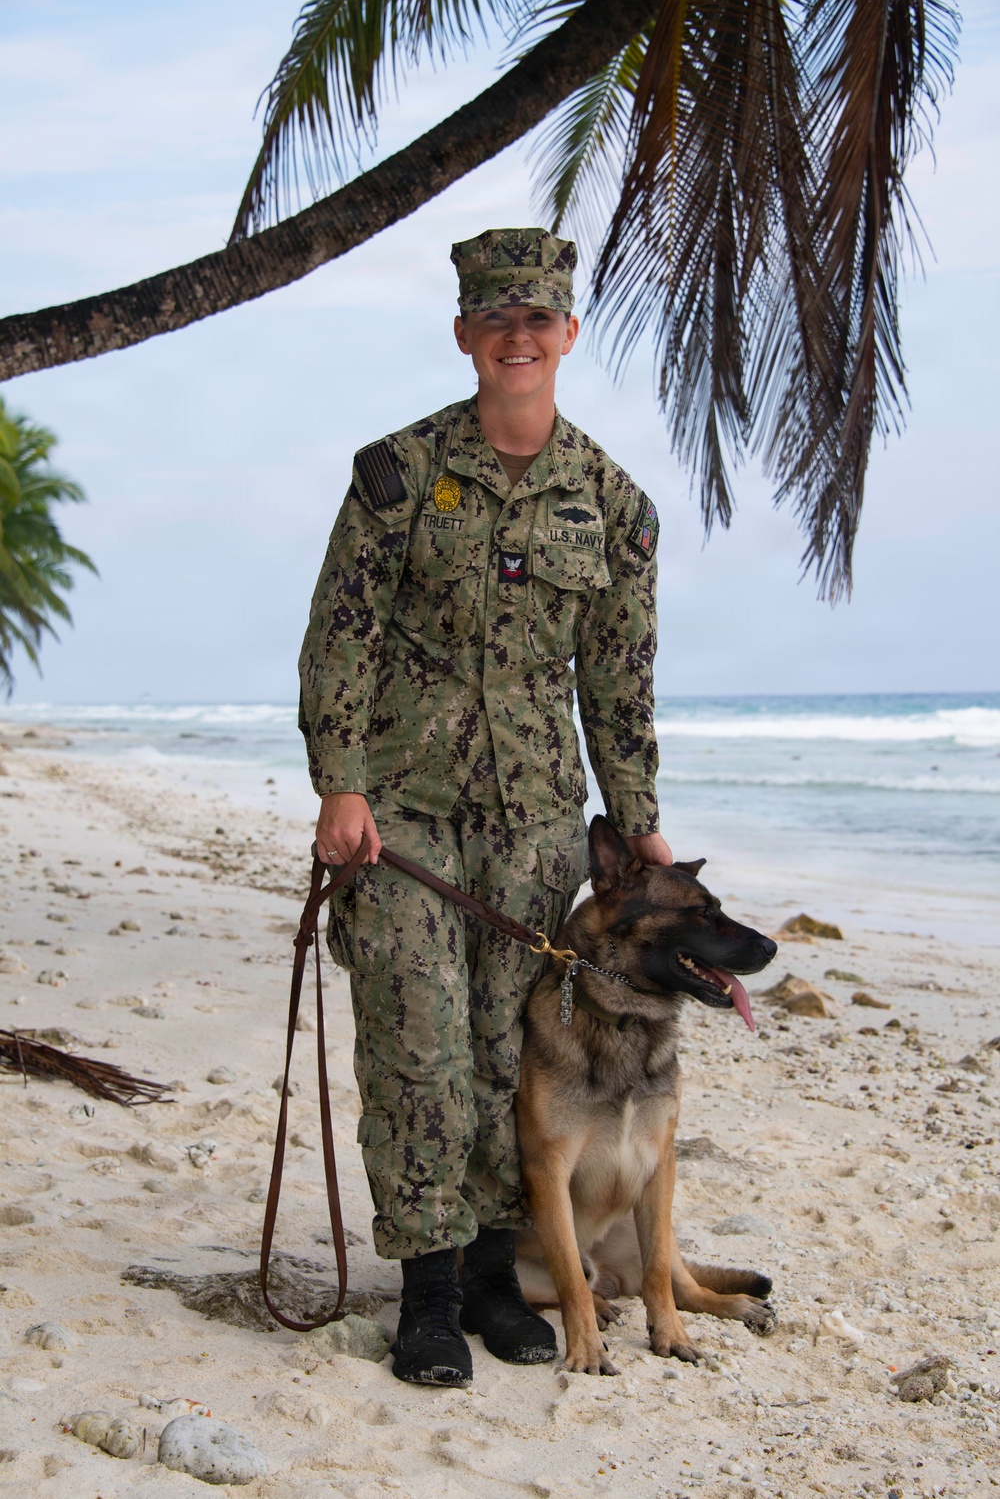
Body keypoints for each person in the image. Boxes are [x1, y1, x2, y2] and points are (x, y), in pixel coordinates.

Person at [298, 227, 671, 1388]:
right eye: (496, 318)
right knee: (415, 1042)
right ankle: (425, 1291)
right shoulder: (399, 474)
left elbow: (619, 679)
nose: (519, 336)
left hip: (536, 822)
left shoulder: (614, 505)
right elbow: (341, 635)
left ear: (568, 333)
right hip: (401, 815)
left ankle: (491, 1280)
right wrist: (340, 783)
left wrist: (639, 821)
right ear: (465, 334)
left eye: (537, 318)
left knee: (511, 1050)